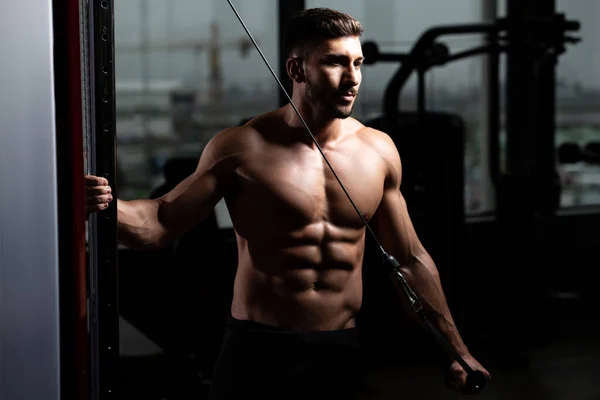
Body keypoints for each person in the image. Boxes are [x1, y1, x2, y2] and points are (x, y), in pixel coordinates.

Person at [85, 7, 490, 399]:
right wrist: (106, 205)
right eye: (335, 63)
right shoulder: (241, 147)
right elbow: (160, 222)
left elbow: (410, 260)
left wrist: (458, 350)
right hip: (257, 351)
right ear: (297, 70)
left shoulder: (378, 151)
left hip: (339, 351)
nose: (353, 79)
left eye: (358, 63)